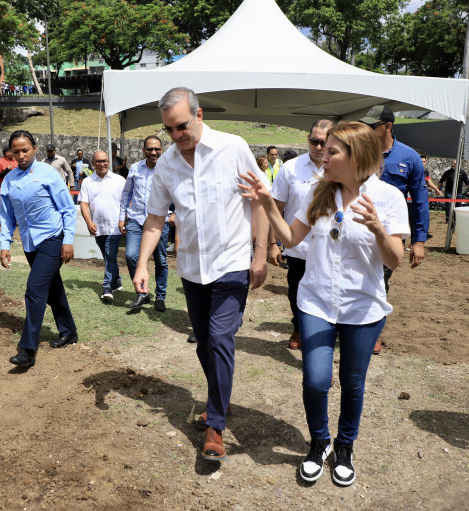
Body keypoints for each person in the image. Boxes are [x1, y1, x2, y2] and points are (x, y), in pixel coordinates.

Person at [239, 121, 409, 487]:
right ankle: (320, 443)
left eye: (332, 151)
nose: (323, 157)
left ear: (356, 156)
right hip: (315, 301)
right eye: (323, 149)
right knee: (316, 380)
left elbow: (394, 260)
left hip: (362, 307)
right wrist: (267, 202)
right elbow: (291, 237)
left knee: (352, 382)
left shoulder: (388, 198)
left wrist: (379, 229)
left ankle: (345, 447)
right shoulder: (319, 192)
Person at [132, 87, 269, 461]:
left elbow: (260, 201)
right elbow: (155, 218)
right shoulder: (167, 164)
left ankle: (216, 425)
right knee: (205, 343)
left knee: (221, 338)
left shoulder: (233, 148)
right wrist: (142, 264)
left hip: (231, 264)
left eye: (181, 126)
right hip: (192, 269)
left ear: (199, 114)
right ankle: (219, 398)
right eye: (169, 129)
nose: (176, 135)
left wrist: (260, 254)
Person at [0, 130, 78, 369]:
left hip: (52, 238)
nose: (21, 155)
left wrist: (68, 240)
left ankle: (28, 349)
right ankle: (69, 331)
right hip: (29, 243)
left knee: (35, 290)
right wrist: (5, 244)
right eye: (16, 151)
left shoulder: (48, 173)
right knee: (53, 290)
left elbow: (67, 209)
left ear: (34, 148)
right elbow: (7, 216)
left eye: (25, 150)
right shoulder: (9, 180)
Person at [360, 105, 428, 355]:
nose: (367, 130)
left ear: (388, 126)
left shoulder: (409, 157)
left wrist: (419, 241)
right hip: (356, 230)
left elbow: (420, 201)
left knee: (380, 282)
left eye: (373, 126)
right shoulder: (357, 151)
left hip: (389, 235)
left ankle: (372, 333)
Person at [269, 119, 334, 350]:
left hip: (329, 248)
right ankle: (298, 326)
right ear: (308, 139)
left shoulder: (340, 169)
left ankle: (322, 334)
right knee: (296, 293)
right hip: (298, 247)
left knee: (327, 294)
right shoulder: (290, 168)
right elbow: (276, 208)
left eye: (323, 142)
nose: (318, 147)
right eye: (314, 141)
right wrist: (272, 243)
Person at [120, 135, 170, 312]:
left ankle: (160, 296)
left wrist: (175, 213)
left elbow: (177, 194)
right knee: (131, 255)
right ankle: (142, 292)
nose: (153, 152)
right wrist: (122, 217)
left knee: (160, 260)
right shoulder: (135, 168)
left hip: (159, 221)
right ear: (144, 150)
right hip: (136, 219)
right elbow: (126, 193)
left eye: (157, 149)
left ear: (162, 150)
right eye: (150, 149)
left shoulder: (168, 169)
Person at [79, 150, 126, 303]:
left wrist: (124, 220)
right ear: (93, 163)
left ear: (109, 162)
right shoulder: (87, 182)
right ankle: (116, 281)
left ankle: (107, 287)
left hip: (115, 226)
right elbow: (84, 204)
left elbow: (126, 202)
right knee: (108, 257)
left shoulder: (119, 180)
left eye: (105, 161)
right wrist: (88, 222)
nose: (102, 164)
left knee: (110, 255)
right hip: (98, 226)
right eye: (98, 161)